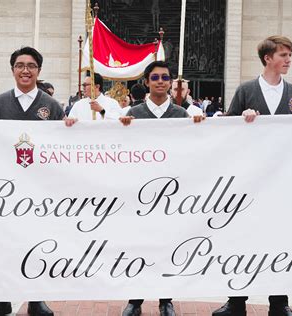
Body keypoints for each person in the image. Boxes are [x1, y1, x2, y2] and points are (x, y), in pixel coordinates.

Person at [212, 35, 292, 316]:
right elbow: (227, 126)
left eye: (289, 55)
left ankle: (279, 303)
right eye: (283, 55)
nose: (288, 60)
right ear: (268, 58)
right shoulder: (247, 90)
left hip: (282, 179)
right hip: (249, 178)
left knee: (281, 239)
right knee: (243, 237)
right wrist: (242, 119)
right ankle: (236, 302)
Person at [0, 46, 65, 316]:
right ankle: (2, 299)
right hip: (6, 189)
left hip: (39, 189)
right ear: (12, 69)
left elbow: (62, 147)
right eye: (20, 65)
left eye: (31, 66)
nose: (26, 70)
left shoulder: (51, 106)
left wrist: (70, 129)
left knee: (37, 243)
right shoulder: (0, 103)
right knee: (4, 243)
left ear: (39, 70)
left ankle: (36, 298)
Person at [118, 61, 193, 316]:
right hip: (139, 193)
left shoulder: (182, 115)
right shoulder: (132, 114)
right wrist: (119, 129)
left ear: (171, 82)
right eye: (155, 77)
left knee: (168, 246)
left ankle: (165, 299)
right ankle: (135, 300)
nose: (160, 81)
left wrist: (202, 127)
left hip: (171, 194)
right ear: (147, 82)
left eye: (165, 77)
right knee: (138, 245)